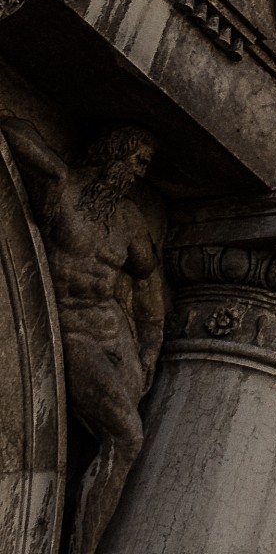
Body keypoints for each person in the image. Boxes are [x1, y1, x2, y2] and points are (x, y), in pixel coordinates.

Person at [0, 120, 166, 554]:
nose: (140, 172)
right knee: (126, 438)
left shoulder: (128, 220)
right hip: (73, 332)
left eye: (145, 165)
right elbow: (15, 131)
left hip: (116, 334)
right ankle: (83, 547)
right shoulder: (62, 190)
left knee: (113, 442)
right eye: (136, 160)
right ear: (111, 153)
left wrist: (150, 343)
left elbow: (147, 281)